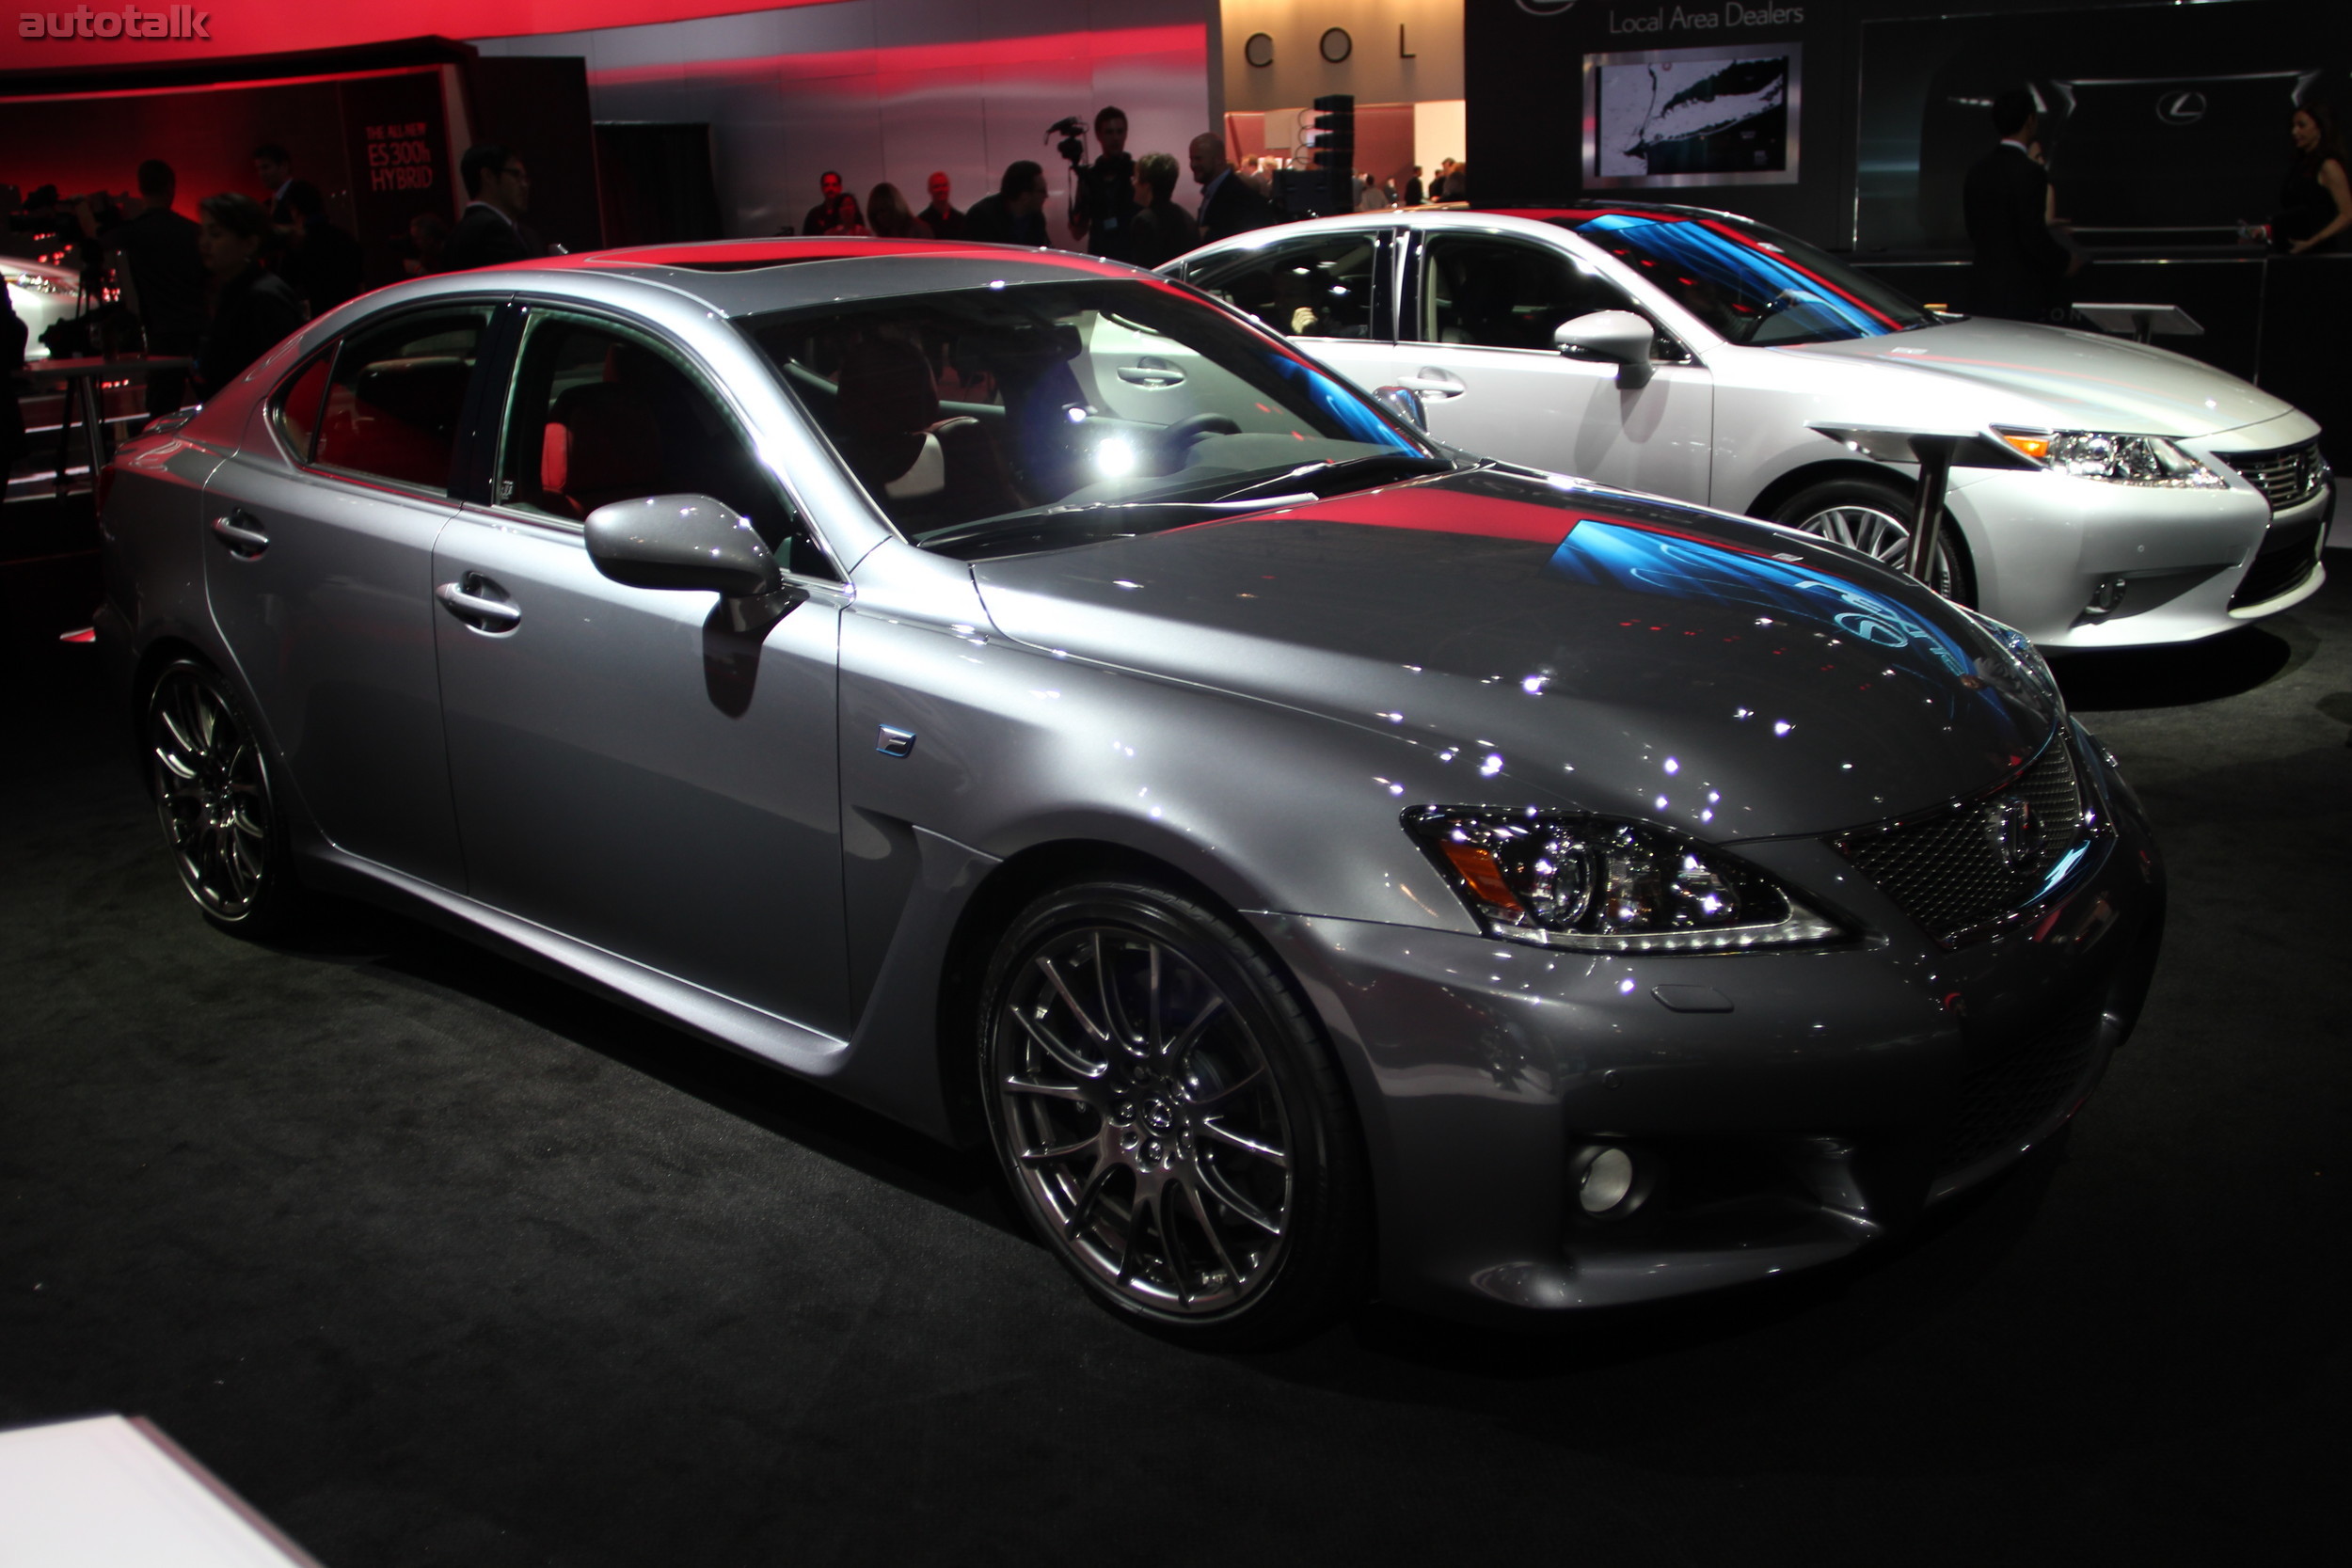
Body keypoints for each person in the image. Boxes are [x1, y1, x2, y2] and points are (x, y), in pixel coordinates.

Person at [1962, 89, 2076, 322]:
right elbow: (2032, 235)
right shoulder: (2030, 172)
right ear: (2031, 120)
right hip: (2019, 296)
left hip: (1983, 292)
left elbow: (1975, 230)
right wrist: (2065, 262)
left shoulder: (1977, 171)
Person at [108, 160, 207, 415]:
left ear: (141, 188)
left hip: (161, 336)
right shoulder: (193, 232)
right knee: (218, 403)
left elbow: (99, 241)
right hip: (199, 331)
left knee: (162, 410)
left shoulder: (132, 233)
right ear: (170, 187)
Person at [192, 193, 303, 397]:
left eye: (215, 234)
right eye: (203, 233)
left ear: (250, 244)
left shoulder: (263, 298)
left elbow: (281, 380)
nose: (204, 243)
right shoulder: (233, 291)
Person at [441, 145, 547, 272]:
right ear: (488, 176)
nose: (524, 185)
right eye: (515, 175)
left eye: (525, 178)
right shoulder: (490, 231)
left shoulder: (461, 231)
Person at [2278, 103, 2352, 255]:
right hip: (2292, 254)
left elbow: (2348, 214)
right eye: (2293, 126)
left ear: (2320, 128)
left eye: (2301, 126)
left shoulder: (2328, 166)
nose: (2294, 132)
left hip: (2319, 256)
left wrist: (2313, 241)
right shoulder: (2300, 166)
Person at [280, 182, 364, 317]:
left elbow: (285, 289)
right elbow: (360, 286)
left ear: (294, 210)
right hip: (351, 318)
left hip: (318, 326)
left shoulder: (297, 246)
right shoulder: (346, 239)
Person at [1069, 105, 1138, 262]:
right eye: (1109, 132)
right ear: (1099, 135)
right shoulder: (1090, 177)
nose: (1115, 138)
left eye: (1120, 132)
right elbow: (1078, 232)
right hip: (1101, 257)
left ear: (1126, 134)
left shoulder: (1137, 173)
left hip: (1132, 256)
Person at [1190, 133, 1279, 245]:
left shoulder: (1240, 197)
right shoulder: (1219, 191)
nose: (1193, 164)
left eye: (1198, 159)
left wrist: (1207, 235)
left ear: (1218, 159)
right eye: (1192, 159)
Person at [1126, 151, 1199, 269]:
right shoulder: (1187, 217)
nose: (1133, 184)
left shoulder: (1144, 221)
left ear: (1147, 186)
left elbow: (1144, 271)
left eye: (1136, 178)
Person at [964, 161, 1050, 247]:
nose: (1047, 195)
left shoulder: (1036, 218)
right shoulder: (981, 217)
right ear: (1025, 196)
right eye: (1042, 191)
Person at [250, 143, 321, 228]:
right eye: (258, 169)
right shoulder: (267, 205)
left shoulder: (303, 192)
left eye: (265, 167)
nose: (261, 174)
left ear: (284, 166)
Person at [866, 182, 931, 239]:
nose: (879, 217)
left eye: (883, 211)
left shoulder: (919, 229)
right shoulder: (884, 234)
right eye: (875, 214)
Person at [801, 170, 850, 238]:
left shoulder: (849, 212)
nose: (830, 188)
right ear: (822, 188)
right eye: (827, 185)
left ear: (840, 188)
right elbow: (806, 241)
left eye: (834, 185)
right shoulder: (814, 214)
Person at [919, 171, 964, 240]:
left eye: (944, 186)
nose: (941, 190)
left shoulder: (961, 221)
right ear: (929, 190)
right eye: (936, 187)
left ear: (949, 188)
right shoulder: (921, 223)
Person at [403, 212, 449, 277]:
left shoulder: (451, 253)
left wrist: (419, 270)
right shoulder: (427, 258)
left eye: (417, 239)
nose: (414, 243)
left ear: (430, 238)